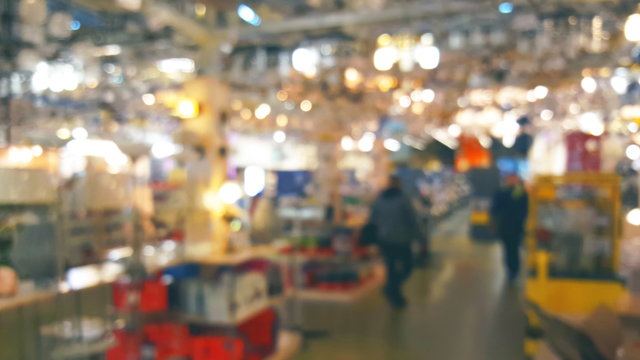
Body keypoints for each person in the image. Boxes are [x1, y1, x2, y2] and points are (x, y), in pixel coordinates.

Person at [369, 175, 423, 308]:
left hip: (385, 239)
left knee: (391, 268)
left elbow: (373, 219)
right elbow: (413, 219)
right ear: (399, 184)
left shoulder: (380, 199)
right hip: (401, 239)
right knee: (407, 266)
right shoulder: (404, 199)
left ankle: (392, 291)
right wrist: (419, 237)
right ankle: (394, 293)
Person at [490, 174, 529, 284]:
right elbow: (494, 208)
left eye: (514, 179)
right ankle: (510, 269)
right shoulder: (501, 191)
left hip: (516, 226)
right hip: (505, 226)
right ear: (507, 180)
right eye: (510, 178)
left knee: (514, 249)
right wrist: (494, 222)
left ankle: (514, 270)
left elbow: (525, 207)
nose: (512, 180)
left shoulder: (521, 191)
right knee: (508, 249)